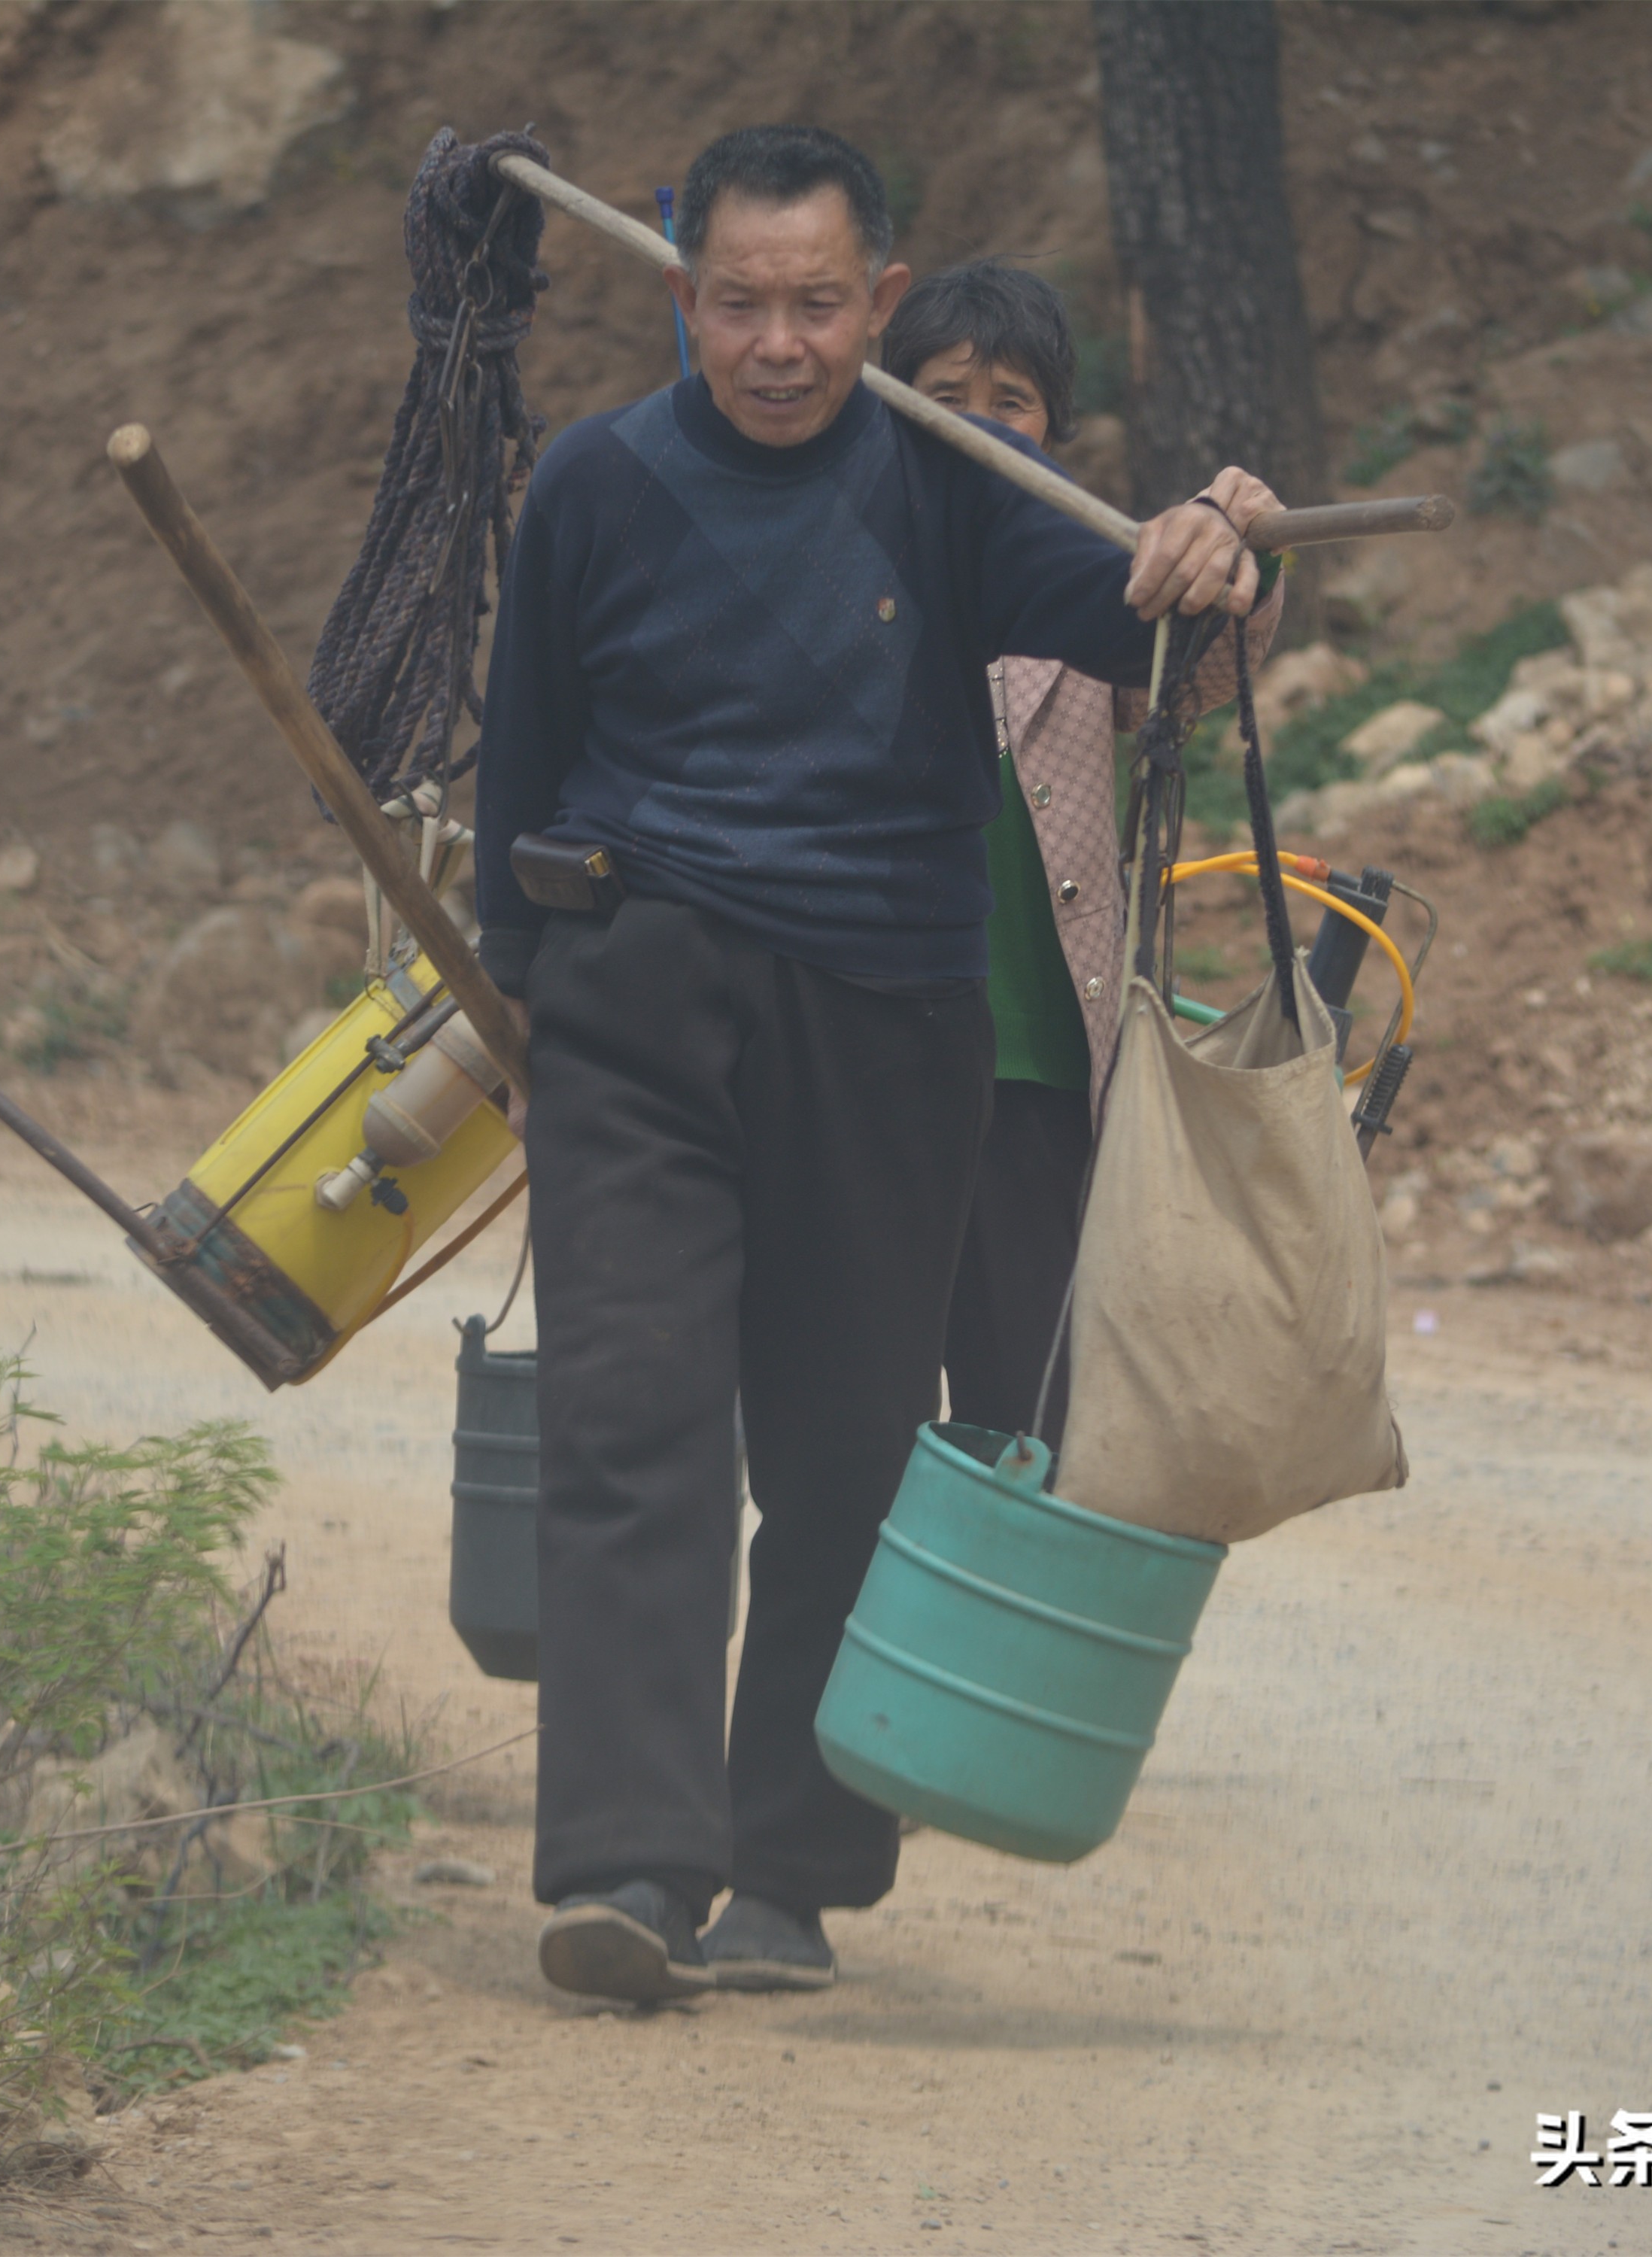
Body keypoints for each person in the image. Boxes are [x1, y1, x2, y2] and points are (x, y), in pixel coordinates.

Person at [472, 124, 1281, 2004]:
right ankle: (624, 1873)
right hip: (639, 998)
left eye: (816, 306)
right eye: (737, 304)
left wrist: (1215, 562)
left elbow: (1155, 642)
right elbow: (524, 767)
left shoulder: (955, 484)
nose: (776, 344)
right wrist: (531, 1011)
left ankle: (789, 1874)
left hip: (886, 1021)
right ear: (683, 299)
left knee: (842, 1456)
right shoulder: (593, 487)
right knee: (629, 1424)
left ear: (881, 304)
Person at [880, 261, 1283, 1448]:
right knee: (864, 1409)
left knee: (1029, 1416)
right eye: (943, 391)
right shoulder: (839, 561)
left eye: (1010, 401)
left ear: (1053, 429)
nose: (977, 422)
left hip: (1035, 1067)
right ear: (884, 398)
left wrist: (1230, 553)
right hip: (870, 1053)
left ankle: (1007, 1622)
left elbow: (1199, 676)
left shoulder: (1083, 573)